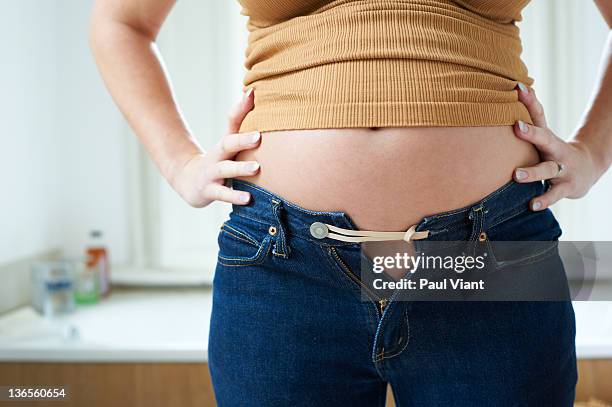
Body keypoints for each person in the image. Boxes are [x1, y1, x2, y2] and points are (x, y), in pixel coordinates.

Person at [90, 0, 612, 405]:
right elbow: (121, 23)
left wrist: (590, 152)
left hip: (491, 256)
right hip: (284, 264)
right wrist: (181, 164)